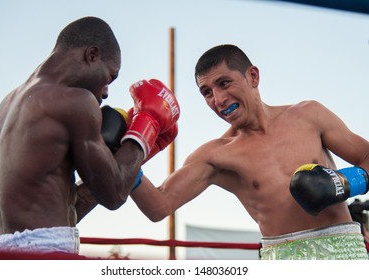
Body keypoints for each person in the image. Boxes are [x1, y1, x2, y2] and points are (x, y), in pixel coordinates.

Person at [130, 44, 369, 260]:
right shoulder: (216, 155)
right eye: (207, 92)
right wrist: (127, 149)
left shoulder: (309, 116)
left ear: (253, 76)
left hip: (344, 250)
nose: (219, 99)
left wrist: (346, 182)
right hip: (282, 259)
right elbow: (158, 206)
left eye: (224, 83)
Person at [0, 16, 179, 255]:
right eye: (110, 76)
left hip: (7, 251)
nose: (107, 92)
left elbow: (66, 210)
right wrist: (143, 133)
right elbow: (115, 195)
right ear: (92, 55)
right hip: (49, 255)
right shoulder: (77, 102)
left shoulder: (4, 109)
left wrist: (119, 161)